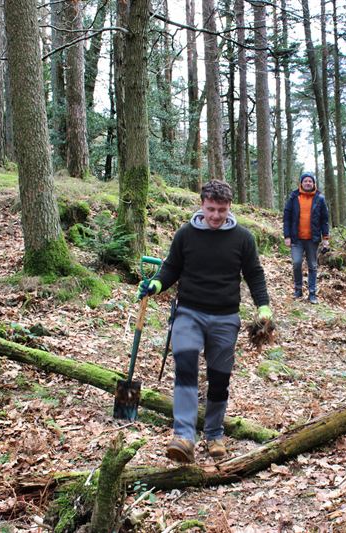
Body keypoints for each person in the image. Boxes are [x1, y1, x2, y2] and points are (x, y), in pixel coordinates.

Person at [136, 179, 272, 463]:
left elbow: (254, 274)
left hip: (225, 317)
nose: (215, 216)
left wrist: (264, 308)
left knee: (219, 378)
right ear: (202, 205)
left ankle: (213, 433)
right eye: (211, 209)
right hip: (189, 312)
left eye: (221, 210)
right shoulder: (186, 234)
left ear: (229, 208)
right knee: (185, 366)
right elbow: (171, 267)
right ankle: (184, 436)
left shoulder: (243, 238)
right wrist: (157, 286)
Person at [282, 171, 330, 304]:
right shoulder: (294, 196)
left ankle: (312, 293)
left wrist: (325, 238)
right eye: (305, 181)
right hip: (296, 238)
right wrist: (287, 236)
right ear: (301, 183)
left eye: (310, 181)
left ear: (314, 183)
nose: (308, 183)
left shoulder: (319, 198)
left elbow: (324, 220)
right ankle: (298, 290)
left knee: (312, 266)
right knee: (297, 263)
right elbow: (287, 217)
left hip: (312, 239)